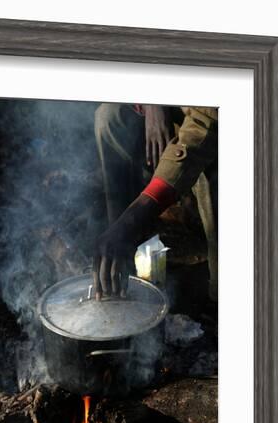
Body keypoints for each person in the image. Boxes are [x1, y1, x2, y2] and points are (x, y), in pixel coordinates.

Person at [93, 103, 218, 301]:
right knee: (109, 119)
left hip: (213, 126)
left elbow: (205, 127)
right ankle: (119, 253)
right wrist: (152, 101)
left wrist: (136, 216)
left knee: (211, 165)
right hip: (171, 109)